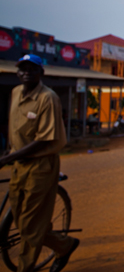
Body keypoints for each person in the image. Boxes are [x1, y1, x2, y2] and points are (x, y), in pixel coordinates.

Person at [0, 55, 80, 272]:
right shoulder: (16, 93)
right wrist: (10, 152)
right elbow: (14, 127)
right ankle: (65, 245)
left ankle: (24, 268)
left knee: (30, 225)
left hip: (41, 165)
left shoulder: (48, 98)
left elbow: (44, 138)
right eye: (22, 69)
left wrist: (6, 159)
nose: (26, 72)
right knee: (21, 219)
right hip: (19, 163)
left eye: (32, 69)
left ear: (40, 73)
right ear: (17, 72)